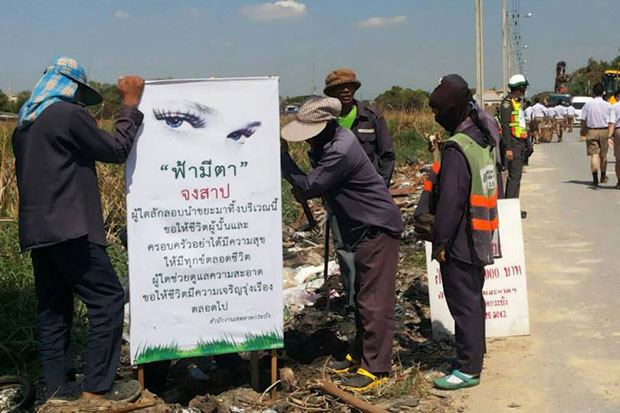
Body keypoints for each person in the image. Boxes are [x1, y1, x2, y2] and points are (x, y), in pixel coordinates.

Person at [12, 57, 145, 402]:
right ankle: (98, 386)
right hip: (71, 228)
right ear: (70, 87)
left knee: (54, 309)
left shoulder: (25, 123)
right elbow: (116, 149)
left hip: (37, 232)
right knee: (108, 299)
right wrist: (129, 106)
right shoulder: (67, 115)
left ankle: (59, 389)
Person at [280, 97, 403, 392]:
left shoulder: (341, 149)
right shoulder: (334, 141)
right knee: (363, 296)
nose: (308, 140)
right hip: (362, 228)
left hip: (376, 228)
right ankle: (361, 353)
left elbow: (310, 186)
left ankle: (375, 368)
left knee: (373, 301)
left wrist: (283, 159)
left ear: (324, 127)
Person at [425, 74, 499, 390]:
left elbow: (451, 204)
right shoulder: (480, 135)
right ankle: (472, 353)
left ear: (451, 109)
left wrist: (440, 243)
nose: (435, 116)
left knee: (463, 302)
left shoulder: (457, 148)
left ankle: (468, 369)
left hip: (460, 239)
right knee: (474, 299)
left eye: (437, 110)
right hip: (480, 233)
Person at [322, 68, 395, 310]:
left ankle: (370, 298)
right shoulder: (325, 122)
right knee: (344, 250)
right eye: (338, 88)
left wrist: (380, 190)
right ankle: (354, 301)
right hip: (339, 200)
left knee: (370, 249)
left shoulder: (371, 117)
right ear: (330, 93)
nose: (345, 90)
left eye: (349, 86)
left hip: (369, 203)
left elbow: (387, 156)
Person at [499, 74, 529, 215]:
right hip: (514, 144)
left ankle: (512, 206)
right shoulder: (507, 104)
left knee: (517, 177)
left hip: (520, 143)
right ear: (519, 88)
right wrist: (509, 148)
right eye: (523, 88)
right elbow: (505, 127)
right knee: (514, 177)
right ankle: (510, 209)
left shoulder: (517, 102)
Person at [580, 83, 616, 187]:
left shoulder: (588, 105)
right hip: (604, 131)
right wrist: (610, 134)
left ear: (593, 92)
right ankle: (603, 176)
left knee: (594, 155)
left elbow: (583, 120)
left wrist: (583, 130)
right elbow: (611, 121)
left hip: (591, 131)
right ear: (603, 93)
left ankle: (595, 178)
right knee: (603, 156)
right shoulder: (608, 105)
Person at [611, 91, 620, 188]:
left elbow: (612, 122)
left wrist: (610, 135)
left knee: (618, 158)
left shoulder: (614, 107)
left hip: (618, 131)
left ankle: (619, 181)